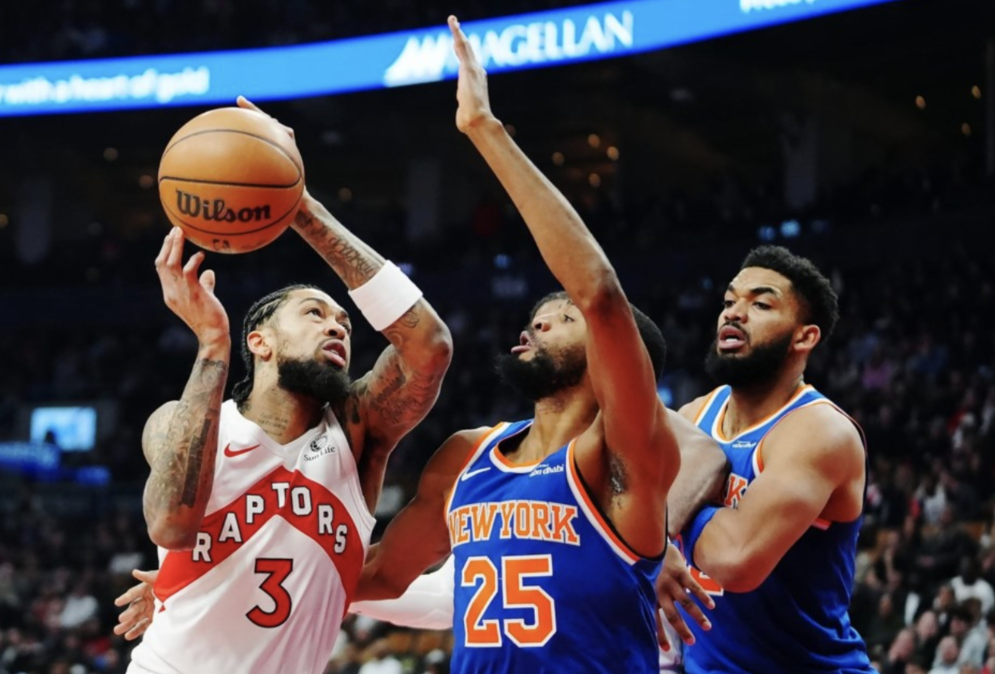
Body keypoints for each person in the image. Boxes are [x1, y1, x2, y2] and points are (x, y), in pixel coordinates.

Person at [353, 16, 718, 674]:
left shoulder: (619, 454)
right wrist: (214, 576)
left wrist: (484, 131)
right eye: (536, 318)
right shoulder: (466, 455)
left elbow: (600, 293)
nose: (535, 326)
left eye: (561, 317)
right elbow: (377, 575)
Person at [126, 98, 453, 674]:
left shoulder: (357, 434)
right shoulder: (177, 421)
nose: (336, 326)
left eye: (344, 322)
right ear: (260, 341)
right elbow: (171, 525)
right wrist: (211, 346)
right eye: (313, 313)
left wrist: (297, 204)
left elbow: (429, 347)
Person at [670, 244, 875, 672]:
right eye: (729, 301)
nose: (734, 313)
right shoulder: (694, 416)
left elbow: (735, 560)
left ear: (805, 336)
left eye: (761, 304)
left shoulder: (820, 431)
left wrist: (669, 516)